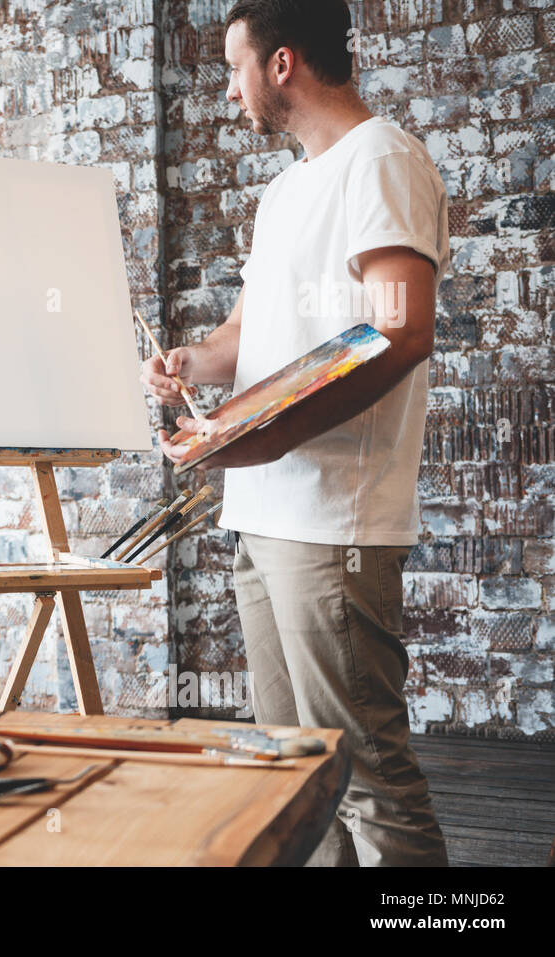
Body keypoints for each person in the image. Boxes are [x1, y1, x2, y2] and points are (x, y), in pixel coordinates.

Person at [140, 0, 451, 866]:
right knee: (300, 777)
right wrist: (191, 362)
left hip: (332, 528)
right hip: (262, 516)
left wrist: (268, 439)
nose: (230, 89)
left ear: (282, 65)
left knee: (369, 779)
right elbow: (248, 334)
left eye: (236, 67)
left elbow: (402, 329)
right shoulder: (284, 190)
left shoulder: (381, 160)